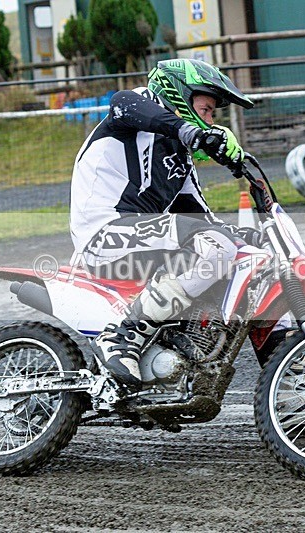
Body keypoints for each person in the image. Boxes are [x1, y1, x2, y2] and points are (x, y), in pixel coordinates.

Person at [69, 58, 260, 388]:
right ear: (180, 95)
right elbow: (120, 103)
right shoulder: (135, 108)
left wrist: (244, 237)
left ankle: (292, 398)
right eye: (207, 108)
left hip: (139, 237)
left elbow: (198, 215)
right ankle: (122, 337)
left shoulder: (180, 157)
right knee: (216, 249)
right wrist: (190, 130)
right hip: (102, 233)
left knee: (238, 252)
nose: (210, 120)